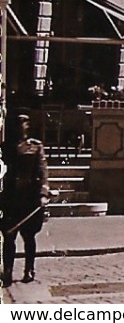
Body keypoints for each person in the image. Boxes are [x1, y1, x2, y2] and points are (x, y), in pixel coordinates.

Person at [1, 114, 50, 287]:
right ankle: (7, 270)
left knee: (29, 236)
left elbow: (42, 172)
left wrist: (43, 193)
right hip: (10, 198)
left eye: (24, 122)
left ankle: (29, 269)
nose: (21, 126)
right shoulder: (5, 148)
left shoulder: (35, 147)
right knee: (9, 236)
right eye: (18, 122)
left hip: (29, 198)